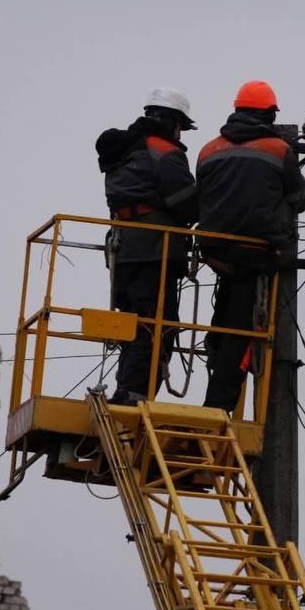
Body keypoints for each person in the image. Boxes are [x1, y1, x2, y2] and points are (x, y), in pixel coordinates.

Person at [195, 80, 305, 412]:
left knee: (226, 315)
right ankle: (218, 405)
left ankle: (214, 359)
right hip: (256, 253)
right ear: (269, 115)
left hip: (216, 252)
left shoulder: (208, 150)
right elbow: (300, 199)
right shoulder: (278, 150)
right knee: (244, 332)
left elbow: (201, 196)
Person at [95, 87, 199, 405]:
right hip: (155, 249)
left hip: (123, 247)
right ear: (171, 121)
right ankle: (135, 393)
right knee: (157, 324)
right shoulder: (164, 152)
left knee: (132, 323)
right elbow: (186, 204)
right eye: (180, 125)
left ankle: (127, 388)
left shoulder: (121, 150)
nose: (181, 133)